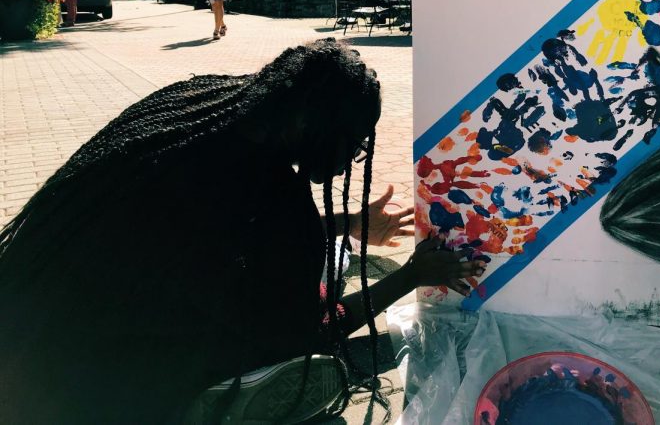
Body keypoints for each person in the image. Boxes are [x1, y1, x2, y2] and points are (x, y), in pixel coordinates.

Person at [0, 38, 480, 424]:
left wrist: (344, 225)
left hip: (32, 310)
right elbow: (311, 328)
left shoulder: (204, 107)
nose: (351, 158)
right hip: (98, 377)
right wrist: (409, 276)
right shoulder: (275, 202)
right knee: (294, 361)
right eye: (352, 142)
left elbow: (222, 226)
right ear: (312, 125)